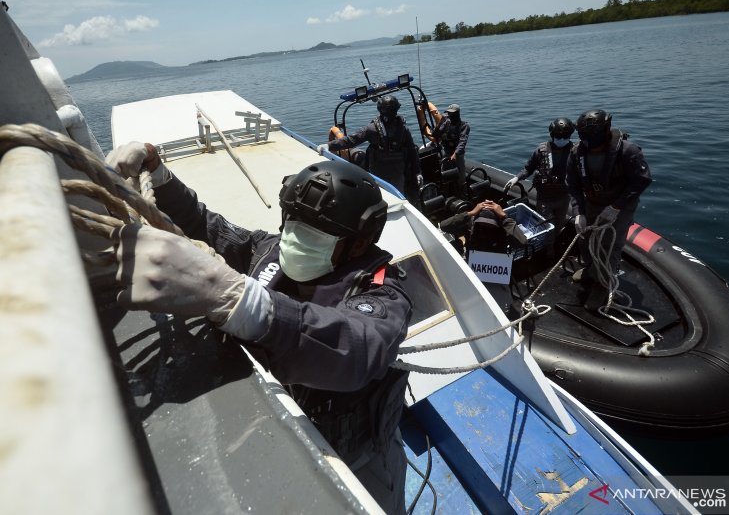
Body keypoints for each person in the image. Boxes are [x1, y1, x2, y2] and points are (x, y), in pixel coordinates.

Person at [106, 144, 412, 514]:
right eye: (291, 224)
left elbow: (358, 348)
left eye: (312, 235)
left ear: (358, 244)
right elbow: (207, 226)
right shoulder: (269, 250)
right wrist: (160, 178)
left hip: (357, 462)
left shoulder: (382, 294)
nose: (293, 240)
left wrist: (242, 302)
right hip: (277, 425)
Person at [565, 109, 652, 310]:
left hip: (620, 206)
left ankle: (602, 285)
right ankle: (589, 269)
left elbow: (641, 181)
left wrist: (616, 206)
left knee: (609, 247)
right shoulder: (577, 154)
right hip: (592, 203)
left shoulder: (629, 152)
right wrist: (578, 212)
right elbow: (573, 185)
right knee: (586, 240)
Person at [317, 94, 422, 205]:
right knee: (391, 197)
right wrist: (417, 172)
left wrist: (329, 146)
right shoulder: (395, 129)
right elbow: (412, 151)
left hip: (386, 173)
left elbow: (352, 140)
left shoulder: (379, 129)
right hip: (389, 173)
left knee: (390, 197)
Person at [504, 117, 576, 257]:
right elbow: (528, 168)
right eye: (558, 136)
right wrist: (516, 178)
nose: (561, 139)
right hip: (545, 197)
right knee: (546, 224)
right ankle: (547, 248)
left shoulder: (575, 151)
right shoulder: (541, 150)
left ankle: (553, 242)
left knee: (559, 223)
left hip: (563, 196)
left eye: (564, 136)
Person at [439, 200, 527, 256]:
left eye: (490, 225)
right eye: (482, 224)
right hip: (474, 263)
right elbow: (443, 226)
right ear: (475, 221)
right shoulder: (471, 224)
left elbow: (523, 242)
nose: (485, 228)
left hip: (495, 265)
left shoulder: (503, 229)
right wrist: (470, 213)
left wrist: (504, 217)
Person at [431, 103, 470, 194]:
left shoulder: (464, 126)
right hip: (446, 151)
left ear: (457, 114)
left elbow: (462, 142)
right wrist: (440, 122)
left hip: (457, 153)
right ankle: (446, 193)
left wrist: (455, 154)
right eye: (449, 113)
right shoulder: (446, 122)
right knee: (445, 173)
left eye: (452, 114)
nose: (450, 116)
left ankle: (463, 194)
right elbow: (435, 134)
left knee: (461, 176)